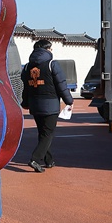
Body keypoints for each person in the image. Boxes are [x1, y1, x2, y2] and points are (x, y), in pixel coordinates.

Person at [20, 39, 74, 172]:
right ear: (46, 49)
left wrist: (25, 102)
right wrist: (69, 101)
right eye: (50, 49)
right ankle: (35, 159)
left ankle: (49, 160)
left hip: (35, 104)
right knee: (48, 133)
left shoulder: (27, 66)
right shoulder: (52, 64)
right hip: (50, 105)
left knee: (43, 133)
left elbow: (26, 87)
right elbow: (61, 84)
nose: (51, 51)